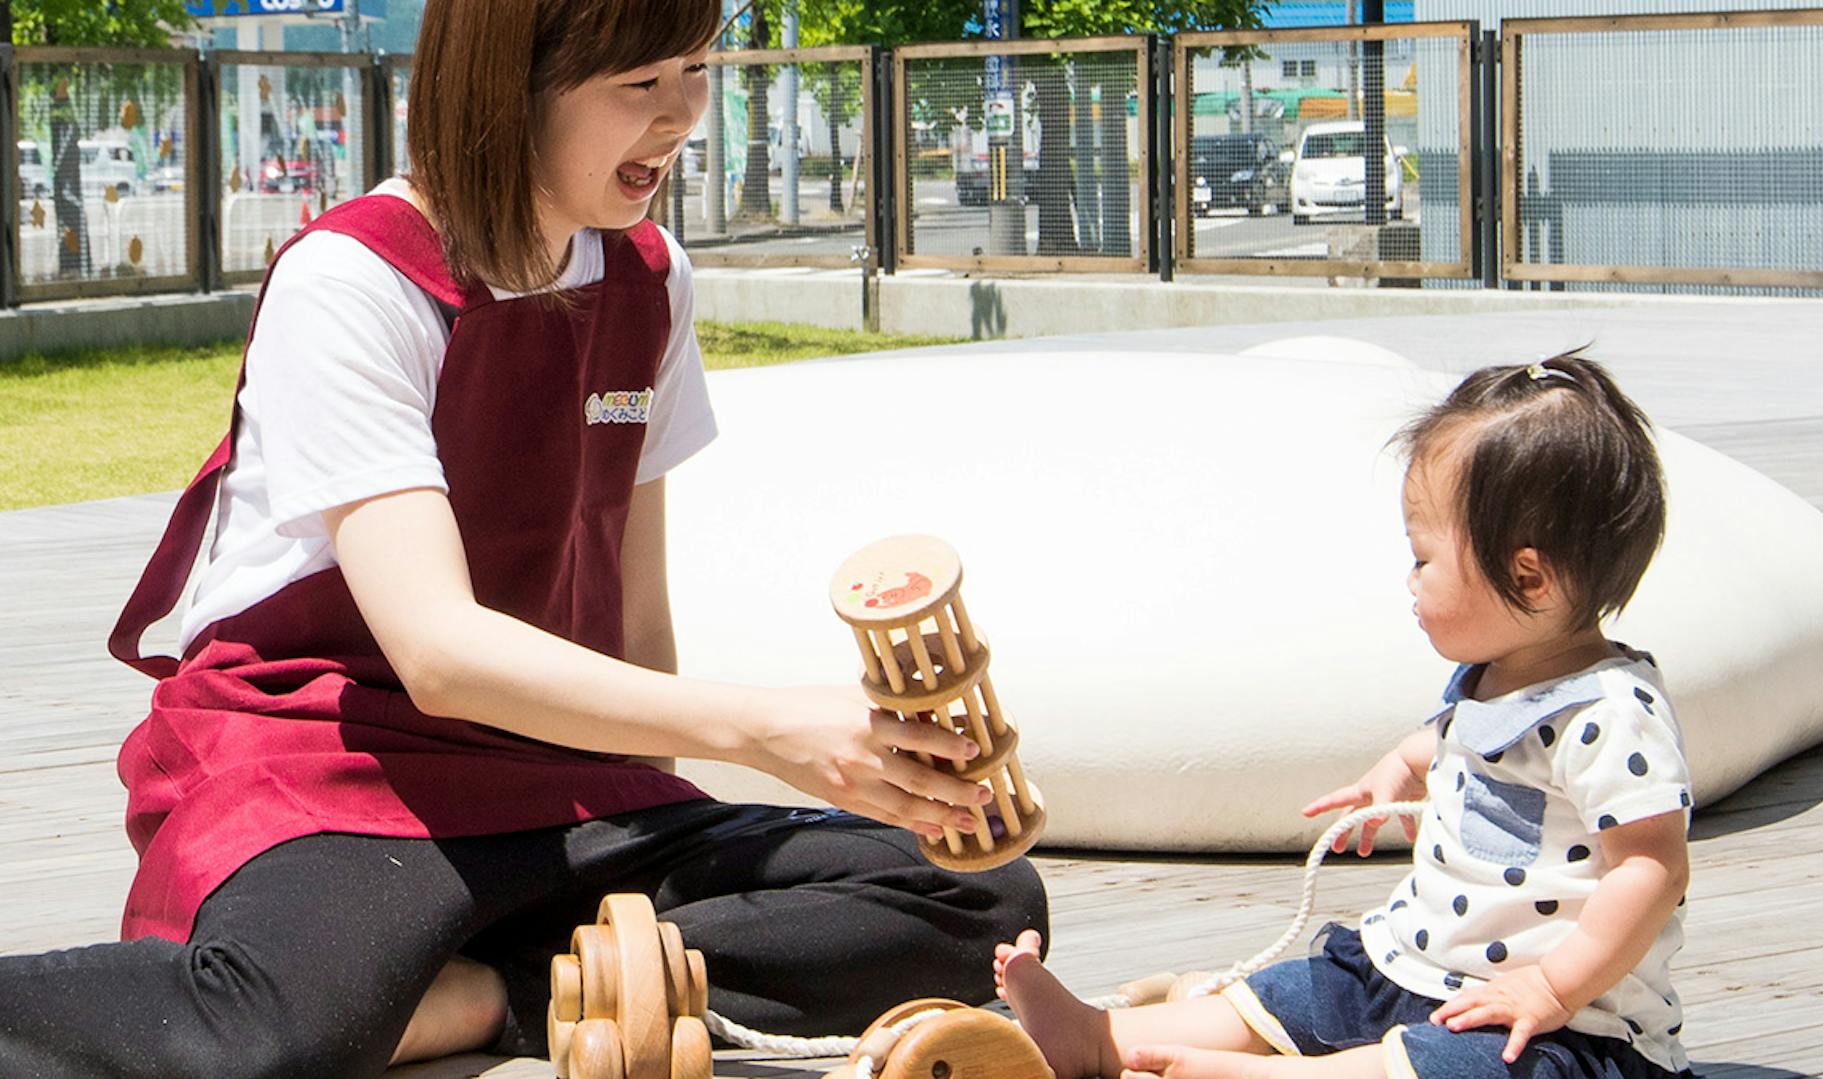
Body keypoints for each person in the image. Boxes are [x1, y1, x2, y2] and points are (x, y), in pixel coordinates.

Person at [0, 2, 1045, 1076]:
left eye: (695, 67)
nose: (682, 112)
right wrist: (770, 728)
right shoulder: (356, 280)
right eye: (639, 83)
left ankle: (483, 992)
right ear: (511, 83)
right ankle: (476, 981)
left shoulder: (649, 277)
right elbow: (440, 652)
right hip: (340, 768)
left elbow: (635, 612)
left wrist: (655, 819)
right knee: (275, 1027)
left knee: (979, 895)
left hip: (561, 780)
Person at [992, 352, 1692, 1079]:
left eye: (1423, 558)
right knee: (1301, 994)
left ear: (1527, 576)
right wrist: (1400, 764)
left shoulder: (1612, 714)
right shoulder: (1498, 677)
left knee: (1464, 1068)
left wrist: (1549, 987)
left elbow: (1651, 865)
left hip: (1560, 1028)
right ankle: (1098, 1037)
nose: (1410, 579)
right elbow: (1462, 740)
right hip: (1416, 971)